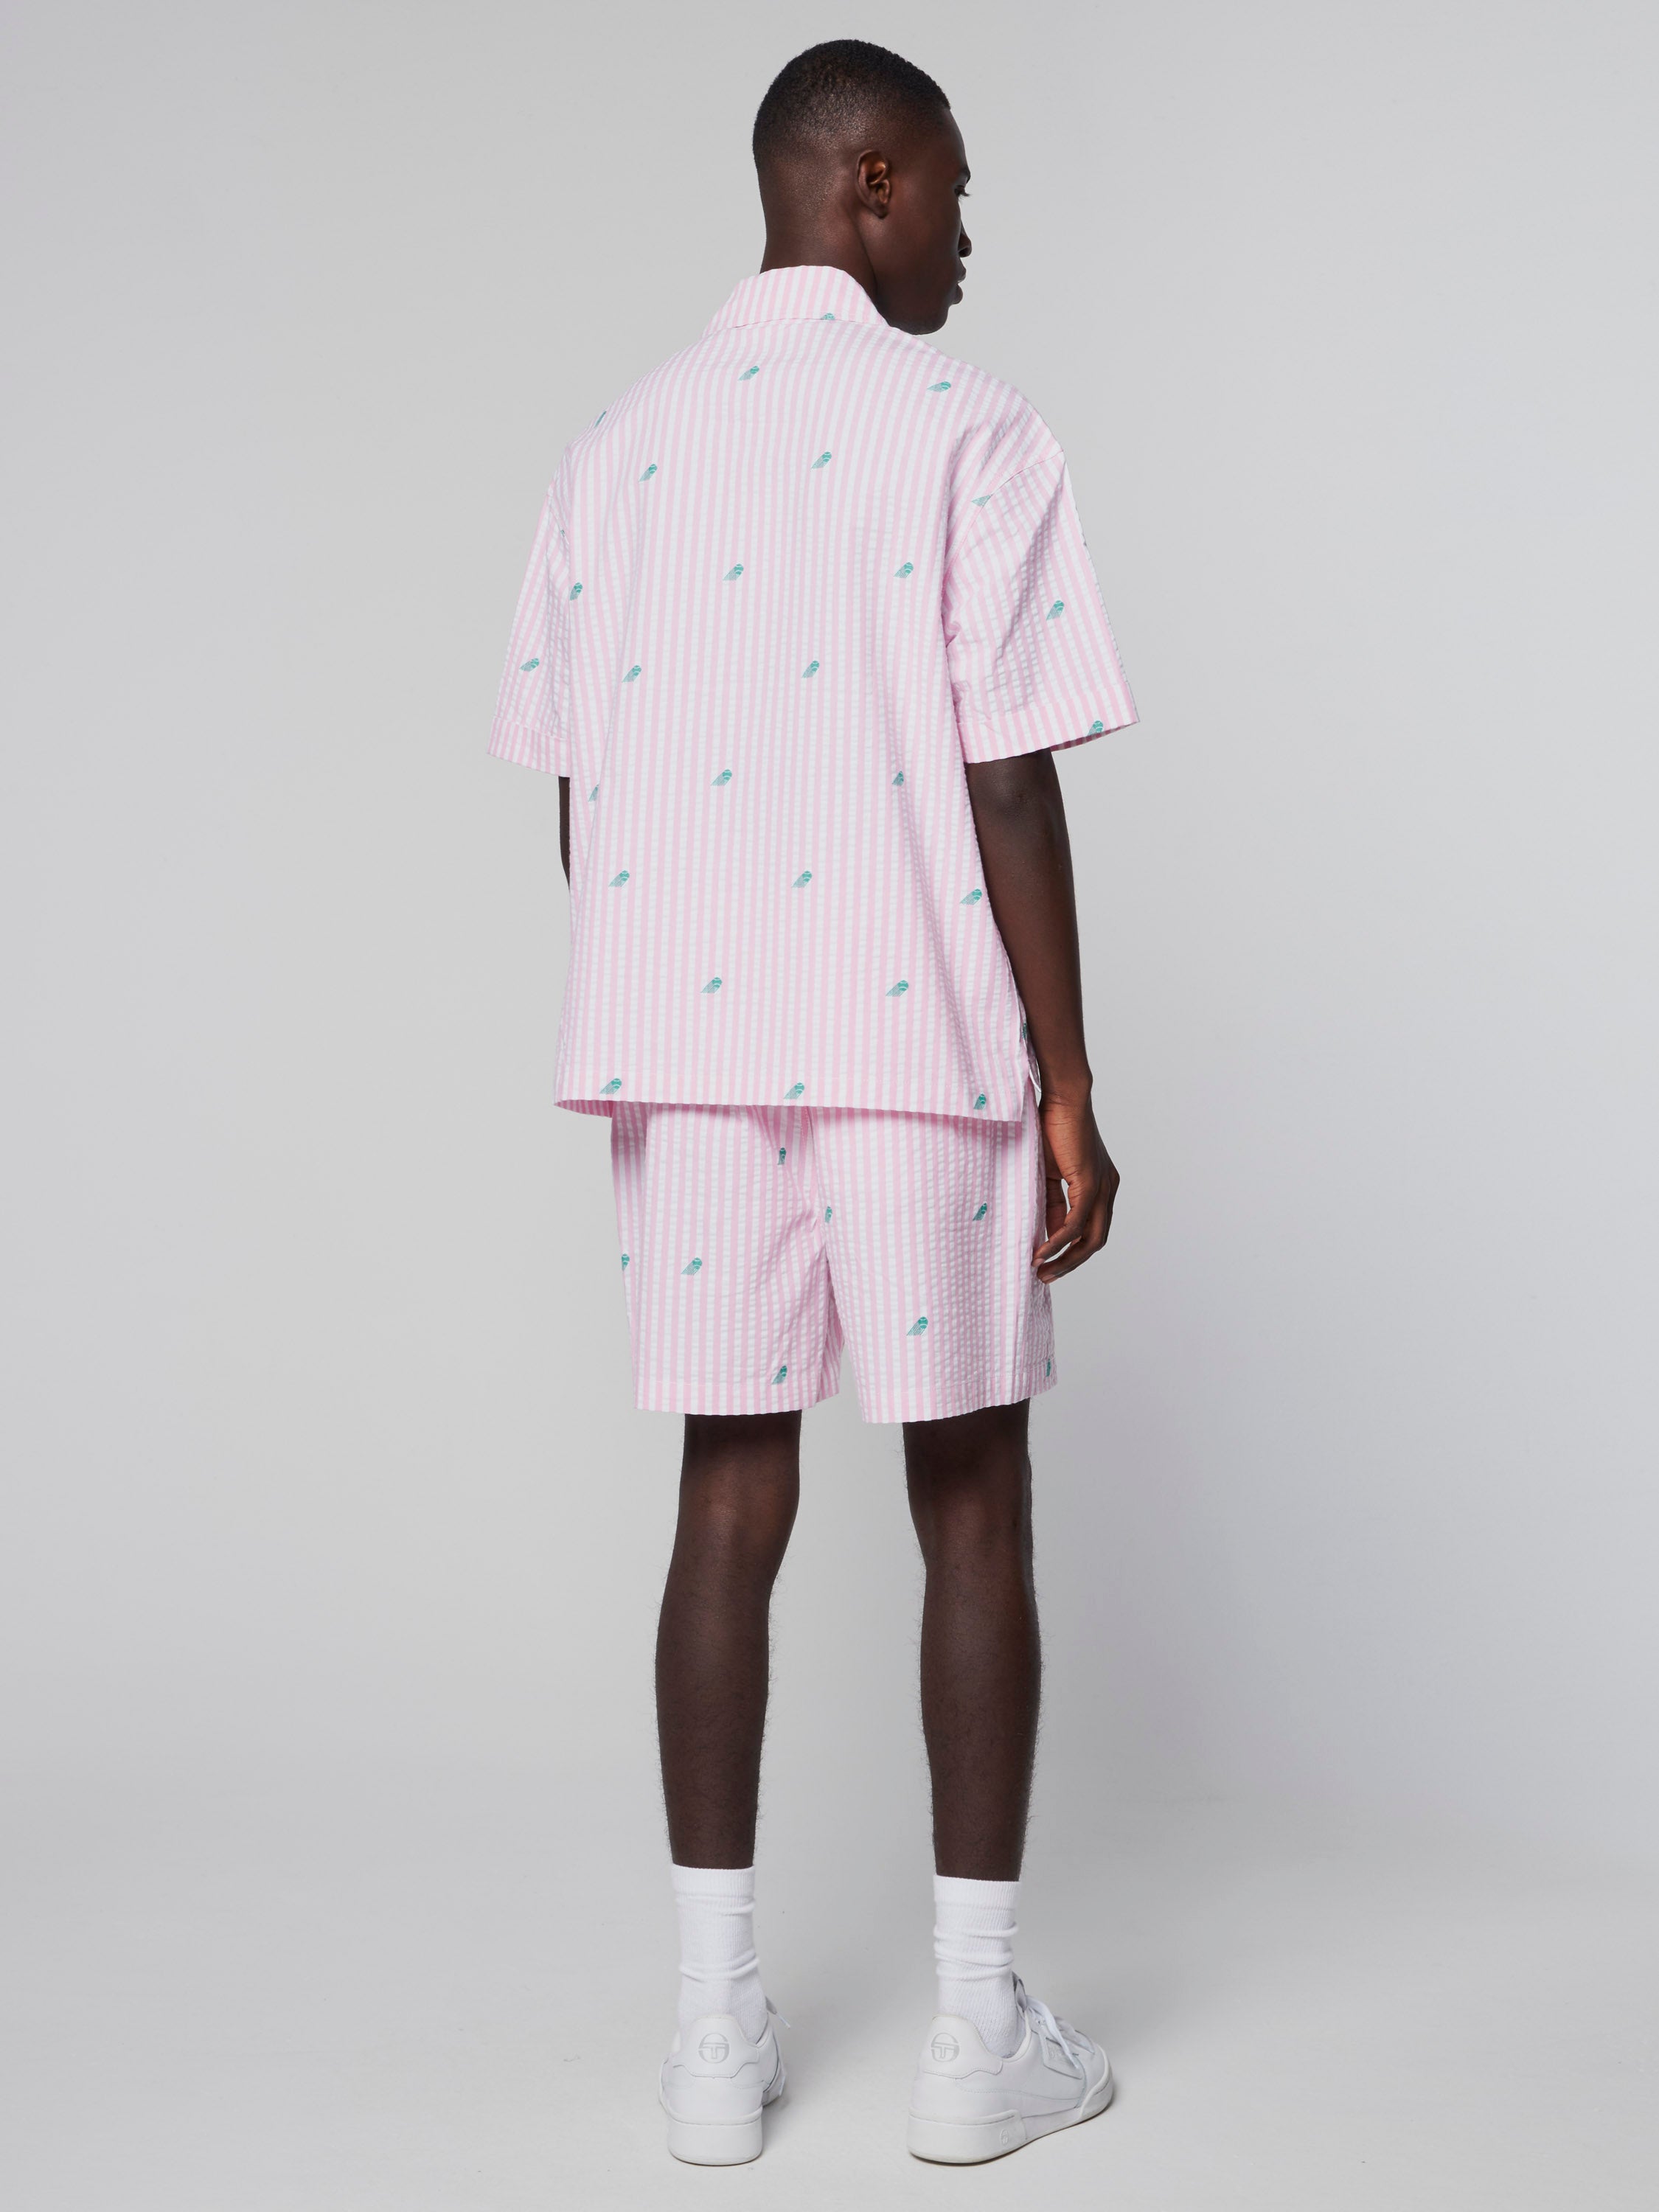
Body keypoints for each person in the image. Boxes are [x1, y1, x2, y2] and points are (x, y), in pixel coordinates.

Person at [490, 37, 1136, 2168]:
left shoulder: (615, 450)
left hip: (688, 1050)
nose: (964, 233)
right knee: (972, 1493)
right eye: (949, 188)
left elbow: (584, 805)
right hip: (916, 1036)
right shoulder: (968, 432)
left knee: (724, 1497)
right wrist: (1067, 1079)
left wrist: (692, 979)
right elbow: (1009, 779)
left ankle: (710, 2043)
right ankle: (974, 2038)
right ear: (865, 183)